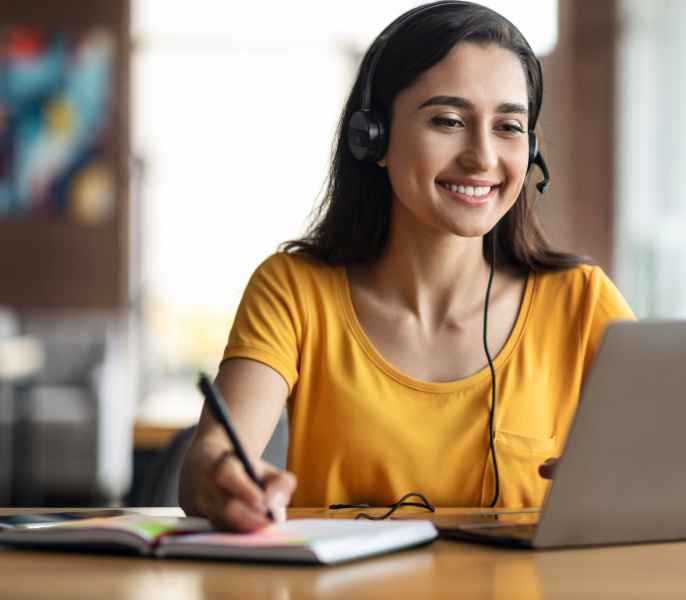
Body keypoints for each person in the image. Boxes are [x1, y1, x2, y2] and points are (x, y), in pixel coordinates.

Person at [178, 1, 634, 532]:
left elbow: (672, 456)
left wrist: (642, 478)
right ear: (372, 138)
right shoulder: (294, 290)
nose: (483, 157)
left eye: (508, 126)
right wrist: (223, 478)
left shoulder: (580, 301)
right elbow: (207, 459)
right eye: (448, 120)